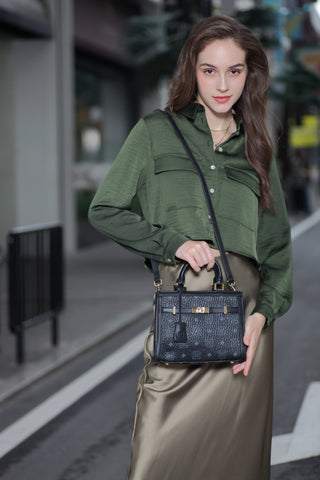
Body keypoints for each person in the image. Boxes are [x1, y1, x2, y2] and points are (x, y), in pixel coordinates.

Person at [88, 14, 292, 480]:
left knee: (236, 465)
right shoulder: (155, 132)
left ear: (250, 75)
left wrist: (263, 316)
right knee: (155, 461)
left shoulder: (257, 147)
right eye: (209, 69)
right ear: (191, 71)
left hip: (245, 322)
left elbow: (277, 250)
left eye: (234, 71)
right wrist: (173, 243)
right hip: (183, 311)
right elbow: (105, 210)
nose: (222, 84)